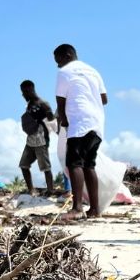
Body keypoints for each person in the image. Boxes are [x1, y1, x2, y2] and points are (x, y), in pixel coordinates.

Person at [54, 45, 107, 220]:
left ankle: (77, 208)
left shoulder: (65, 72)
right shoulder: (93, 71)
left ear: (68, 55)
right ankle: (95, 210)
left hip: (79, 122)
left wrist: (65, 123)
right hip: (97, 123)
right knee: (89, 165)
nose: (58, 65)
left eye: (59, 60)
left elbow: (60, 104)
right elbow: (104, 99)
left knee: (74, 163)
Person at [19, 80, 56, 196]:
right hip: (30, 140)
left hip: (41, 140)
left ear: (30, 90)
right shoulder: (29, 104)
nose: (23, 95)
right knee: (23, 165)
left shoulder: (43, 103)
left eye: (24, 92)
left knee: (45, 167)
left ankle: (50, 190)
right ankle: (31, 190)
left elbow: (52, 120)